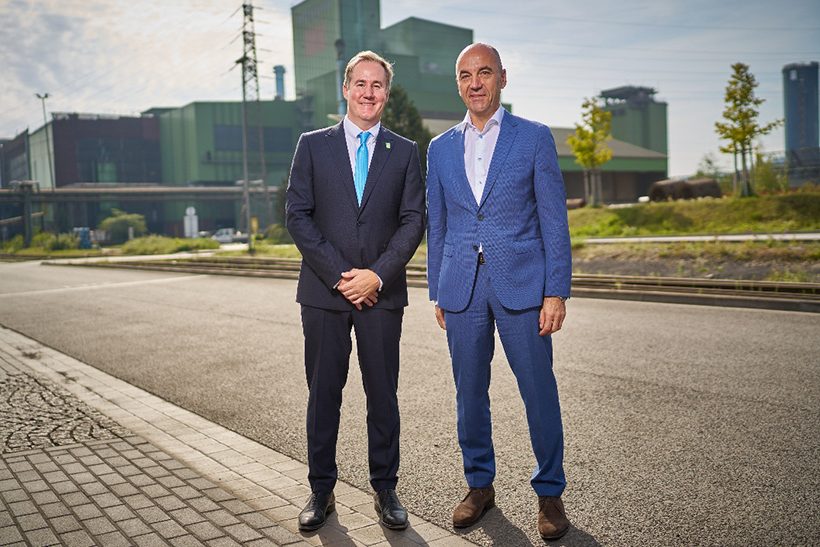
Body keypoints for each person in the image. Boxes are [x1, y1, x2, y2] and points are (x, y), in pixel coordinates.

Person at [425, 43, 572, 540]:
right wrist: (438, 291)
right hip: (461, 288)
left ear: (502, 78)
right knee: (469, 393)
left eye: (484, 73)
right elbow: (438, 225)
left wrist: (556, 291)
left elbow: (555, 220)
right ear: (458, 84)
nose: (475, 83)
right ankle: (479, 486)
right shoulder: (440, 148)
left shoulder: (533, 138)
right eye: (465, 75)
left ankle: (549, 493)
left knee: (538, 391)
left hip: (524, 286)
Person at [286, 50, 425, 532]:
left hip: (382, 295)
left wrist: (377, 275)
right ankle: (321, 489)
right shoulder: (312, 145)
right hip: (325, 293)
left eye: (378, 85)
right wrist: (344, 276)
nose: (369, 93)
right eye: (360, 84)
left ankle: (385, 488)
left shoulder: (405, 151)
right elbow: (297, 215)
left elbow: (413, 221)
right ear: (345, 89)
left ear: (386, 93)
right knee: (324, 392)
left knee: (382, 393)